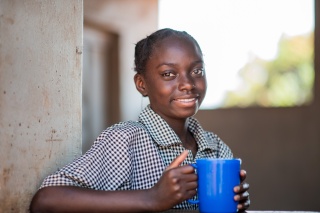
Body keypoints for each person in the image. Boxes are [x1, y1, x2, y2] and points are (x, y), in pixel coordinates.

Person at [30, 28, 250, 213]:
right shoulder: (125, 140)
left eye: (197, 70)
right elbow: (45, 201)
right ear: (141, 84)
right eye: (168, 74)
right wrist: (152, 198)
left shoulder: (216, 148)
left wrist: (237, 204)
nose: (188, 84)